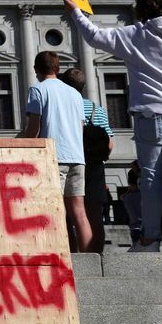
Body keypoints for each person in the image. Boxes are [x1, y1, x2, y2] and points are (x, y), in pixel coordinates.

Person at [65, 0, 162, 252]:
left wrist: (75, 10)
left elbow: (94, 35)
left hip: (150, 114)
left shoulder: (138, 34)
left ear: (143, 10)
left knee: (152, 177)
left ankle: (150, 238)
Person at [21, 51, 90, 252]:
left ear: (36, 69)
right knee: (79, 211)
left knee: (53, 210)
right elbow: (80, 126)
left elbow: (34, 126)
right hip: (77, 156)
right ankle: (89, 256)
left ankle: (57, 252)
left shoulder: (37, 89)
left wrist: (26, 146)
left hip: (53, 157)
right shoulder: (75, 94)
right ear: (58, 69)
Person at [60, 67, 114, 253]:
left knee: (67, 214)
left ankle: (72, 254)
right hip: (95, 165)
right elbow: (110, 143)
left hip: (72, 160)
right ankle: (95, 254)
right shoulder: (95, 108)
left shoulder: (65, 107)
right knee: (94, 214)